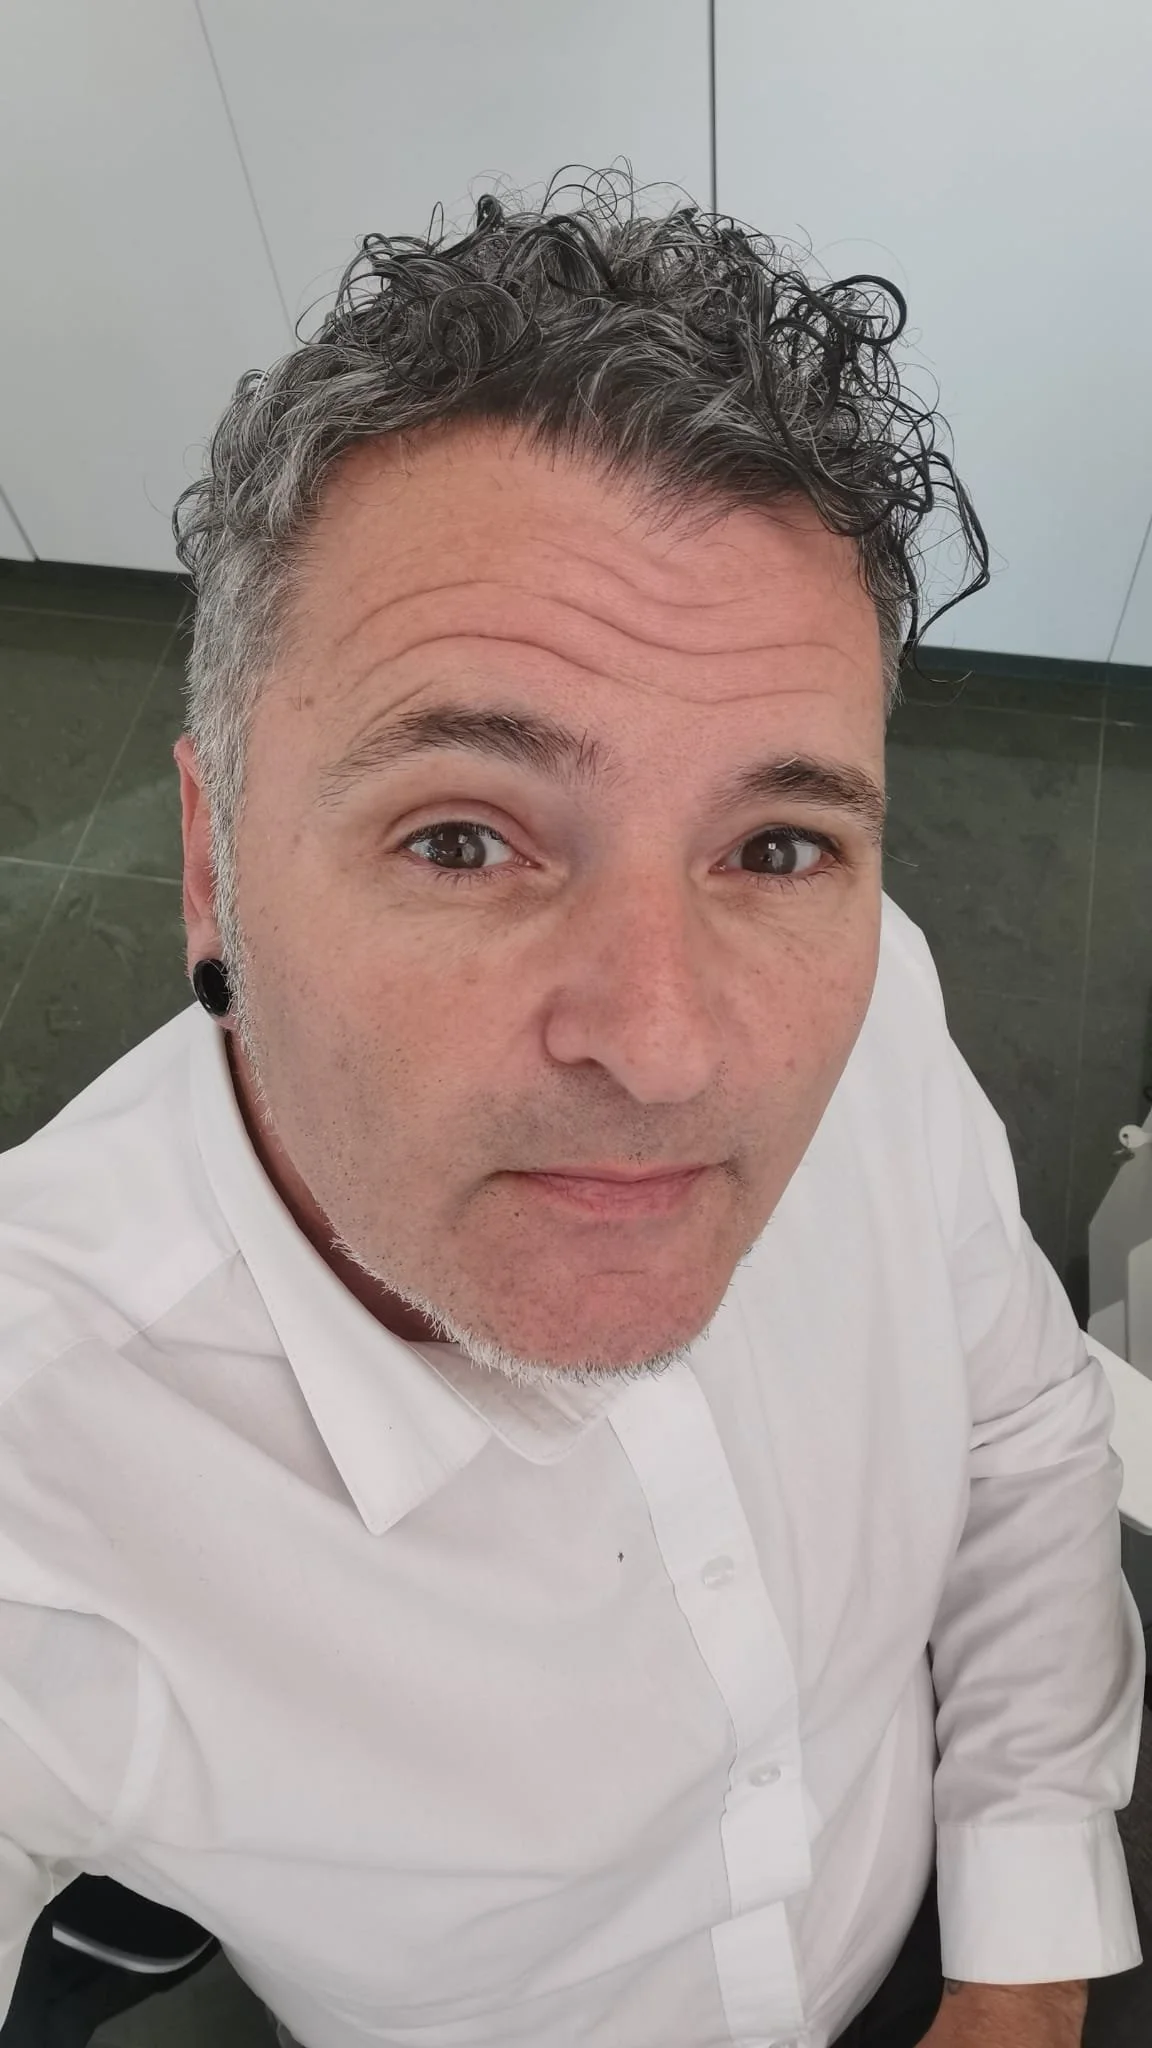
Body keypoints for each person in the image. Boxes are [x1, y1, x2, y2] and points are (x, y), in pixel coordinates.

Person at [0, 170, 1144, 2048]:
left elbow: (1021, 1437)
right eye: (465, 836)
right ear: (213, 871)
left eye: (776, 843)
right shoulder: (41, 1452)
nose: (675, 1045)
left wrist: (1017, 1978)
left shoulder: (878, 996)